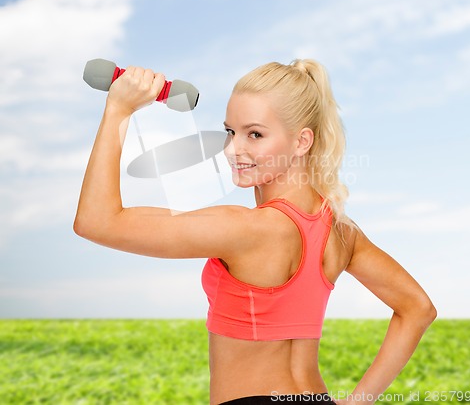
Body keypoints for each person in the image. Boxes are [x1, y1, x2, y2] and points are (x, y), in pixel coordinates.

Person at [74, 59, 437, 404]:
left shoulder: (245, 229)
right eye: (230, 132)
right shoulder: (341, 230)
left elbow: (96, 222)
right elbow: (417, 309)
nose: (234, 149)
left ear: (302, 142)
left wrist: (118, 111)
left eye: (255, 134)